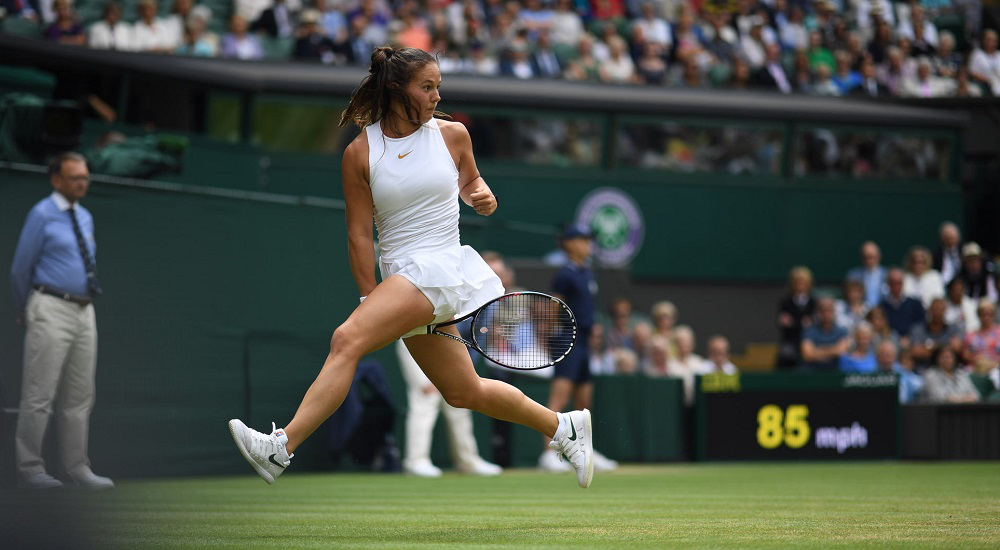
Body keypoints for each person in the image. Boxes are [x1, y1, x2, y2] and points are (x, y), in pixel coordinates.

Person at [228, 47, 596, 489]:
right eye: (427, 87)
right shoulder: (360, 153)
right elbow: (360, 235)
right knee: (464, 392)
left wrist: (483, 194)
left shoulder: (453, 135)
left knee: (346, 339)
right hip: (403, 278)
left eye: (438, 86)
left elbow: (472, 181)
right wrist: (371, 296)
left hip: (440, 268)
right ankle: (564, 427)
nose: (437, 95)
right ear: (396, 89)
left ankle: (280, 448)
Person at [9, 152, 113, 490]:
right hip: (49, 305)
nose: (82, 183)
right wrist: (26, 308)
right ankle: (30, 468)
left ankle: (77, 468)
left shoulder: (85, 216)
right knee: (39, 393)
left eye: (85, 177)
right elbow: (20, 268)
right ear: (56, 180)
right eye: (75, 178)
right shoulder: (40, 214)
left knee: (81, 395)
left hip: (85, 311)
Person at [538, 223, 617, 475]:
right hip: (567, 341)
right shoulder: (565, 274)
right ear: (569, 244)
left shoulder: (586, 272)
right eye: (583, 240)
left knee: (584, 401)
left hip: (584, 342)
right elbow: (554, 307)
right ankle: (547, 454)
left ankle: (585, 453)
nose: (588, 244)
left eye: (588, 240)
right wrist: (550, 336)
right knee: (559, 399)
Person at [394, 340, 502, 478]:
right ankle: (416, 462)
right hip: (415, 338)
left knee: (459, 404)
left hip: (446, 343)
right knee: (426, 398)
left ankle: (467, 462)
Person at [776, 266, 816, 369]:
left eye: (803, 282)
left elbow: (814, 323)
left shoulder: (814, 302)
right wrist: (802, 323)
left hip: (812, 340)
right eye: (797, 282)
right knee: (785, 354)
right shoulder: (785, 302)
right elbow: (785, 325)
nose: (800, 285)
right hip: (792, 340)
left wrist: (795, 322)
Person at [908, 297, 962, 371]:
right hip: (923, 369)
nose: (937, 312)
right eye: (935, 309)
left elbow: (956, 348)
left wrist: (930, 347)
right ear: (929, 311)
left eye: (940, 309)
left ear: (945, 311)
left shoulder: (953, 328)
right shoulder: (918, 329)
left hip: (948, 370)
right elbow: (915, 351)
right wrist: (944, 347)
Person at [800, 296, 850, 370]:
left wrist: (817, 351)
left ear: (834, 312)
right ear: (818, 313)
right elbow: (807, 355)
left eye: (829, 310)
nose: (826, 314)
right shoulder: (809, 331)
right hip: (812, 371)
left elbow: (842, 351)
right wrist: (833, 350)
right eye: (823, 311)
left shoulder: (842, 331)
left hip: (835, 371)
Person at [880, 268, 925, 338]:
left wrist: (909, 338)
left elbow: (920, 325)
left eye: (898, 283)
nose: (896, 286)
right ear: (888, 284)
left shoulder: (915, 304)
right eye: (893, 283)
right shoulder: (882, 306)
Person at [667, 325, 703, 406]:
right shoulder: (670, 364)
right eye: (681, 342)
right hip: (676, 405)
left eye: (687, 342)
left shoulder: (699, 362)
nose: (684, 345)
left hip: (696, 406)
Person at [846, 241, 887, 308]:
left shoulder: (887, 275)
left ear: (878, 256)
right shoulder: (853, 276)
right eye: (865, 257)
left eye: (870, 257)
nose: (868, 260)